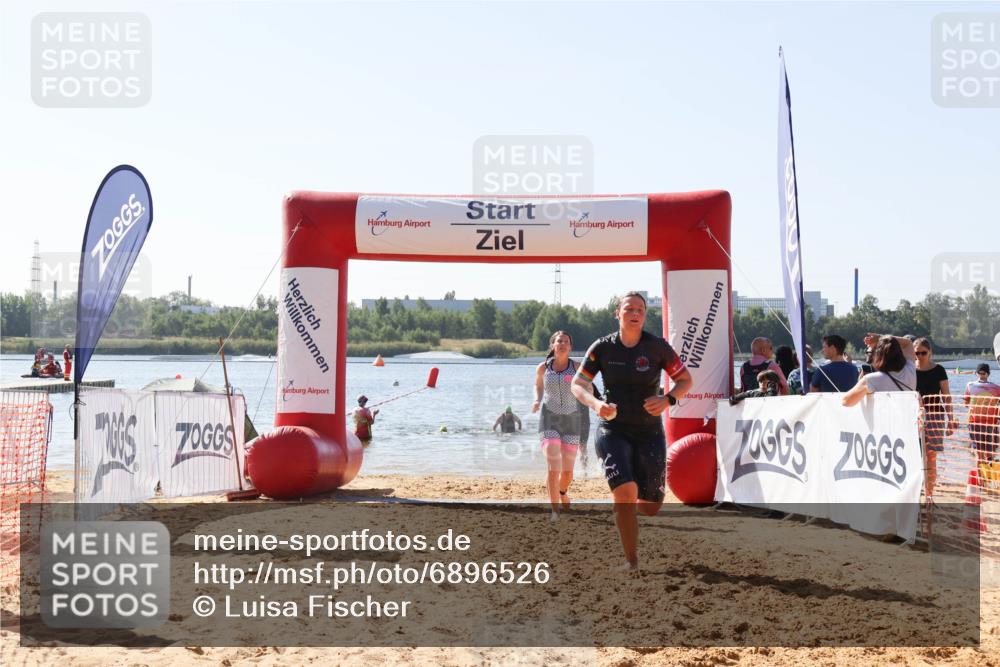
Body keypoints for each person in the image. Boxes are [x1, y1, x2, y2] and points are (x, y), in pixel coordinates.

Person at [571, 291, 693, 571]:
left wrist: (668, 399)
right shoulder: (602, 347)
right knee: (625, 493)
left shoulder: (658, 347)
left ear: (644, 315)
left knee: (650, 506)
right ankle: (631, 561)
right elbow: (577, 385)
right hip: (612, 429)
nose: (635, 313)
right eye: (629, 309)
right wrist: (595, 403)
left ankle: (629, 505)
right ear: (618, 314)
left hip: (649, 431)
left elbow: (685, 380)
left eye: (640, 309)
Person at [532, 331, 583, 519]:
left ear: (570, 347)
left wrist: (596, 401)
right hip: (549, 418)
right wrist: (537, 400)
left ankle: (562, 492)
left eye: (566, 341)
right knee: (554, 466)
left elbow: (588, 387)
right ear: (553, 345)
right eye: (558, 341)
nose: (562, 344)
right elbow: (538, 385)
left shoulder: (577, 367)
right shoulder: (543, 368)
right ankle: (555, 511)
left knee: (567, 472)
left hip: (571, 420)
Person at [914, 338, 954, 503]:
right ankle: (916, 493)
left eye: (923, 353)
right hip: (915, 417)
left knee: (931, 457)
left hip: (936, 416)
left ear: (930, 352)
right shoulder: (910, 370)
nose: (920, 356)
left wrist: (951, 420)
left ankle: (929, 495)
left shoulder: (939, 370)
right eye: (917, 353)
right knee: (915, 456)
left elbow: (946, 396)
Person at [841, 333, 916, 407]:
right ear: (900, 353)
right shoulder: (910, 369)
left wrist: (861, 381)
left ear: (877, 356)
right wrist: (880, 337)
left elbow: (845, 401)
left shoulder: (871, 380)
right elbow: (908, 343)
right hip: (909, 417)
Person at [964, 363, 1000, 464]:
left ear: (976, 373)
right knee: (990, 452)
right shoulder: (997, 388)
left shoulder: (970, 385)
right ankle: (990, 476)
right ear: (988, 374)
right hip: (991, 423)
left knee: (978, 453)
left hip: (974, 422)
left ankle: (979, 478)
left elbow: (966, 403)